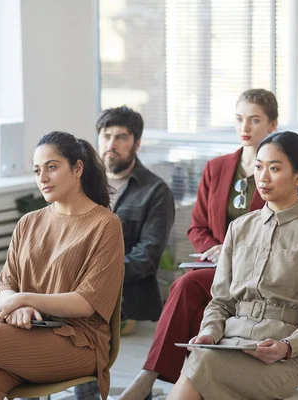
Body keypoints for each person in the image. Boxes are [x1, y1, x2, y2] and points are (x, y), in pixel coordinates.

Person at [0, 131, 125, 400]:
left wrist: (24, 300)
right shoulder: (28, 222)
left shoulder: (105, 225)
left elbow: (86, 302)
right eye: (37, 170)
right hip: (29, 332)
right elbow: (7, 284)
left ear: (78, 168)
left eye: (52, 167)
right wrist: (22, 304)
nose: (42, 178)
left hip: (80, 343)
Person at [119, 88, 277, 400]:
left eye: (255, 120)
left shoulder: (279, 172)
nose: (245, 127)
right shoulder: (217, 168)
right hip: (216, 265)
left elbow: (280, 231)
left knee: (186, 286)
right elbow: (198, 227)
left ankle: (150, 379)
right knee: (190, 288)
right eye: (239, 119)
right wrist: (213, 249)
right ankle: (181, 384)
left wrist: (231, 252)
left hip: (256, 270)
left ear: (272, 125)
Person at [167, 131, 298, 400]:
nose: (263, 177)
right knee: (200, 357)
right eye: (259, 167)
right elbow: (220, 302)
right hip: (229, 347)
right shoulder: (239, 228)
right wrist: (209, 334)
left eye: (274, 168)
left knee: (200, 367)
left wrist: (286, 347)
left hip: (280, 361)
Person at [73, 106, 175, 399]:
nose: (111, 144)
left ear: (137, 143)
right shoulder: (83, 187)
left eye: (121, 137)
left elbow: (148, 254)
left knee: (83, 326)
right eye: (106, 136)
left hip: (128, 293)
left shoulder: (155, 190)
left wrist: (100, 279)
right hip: (80, 288)